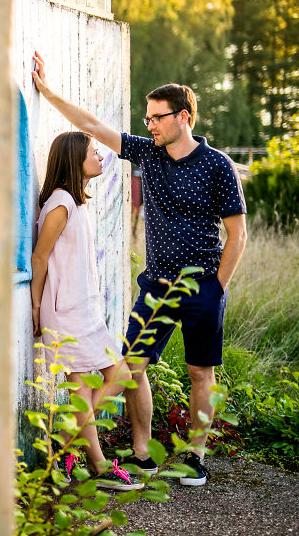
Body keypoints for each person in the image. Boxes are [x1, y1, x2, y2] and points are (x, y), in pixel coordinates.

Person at [31, 51, 247, 486]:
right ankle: (142, 453)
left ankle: (195, 456)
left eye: (156, 117)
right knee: (131, 366)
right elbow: (92, 126)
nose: (149, 125)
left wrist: (216, 288)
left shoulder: (218, 166)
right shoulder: (149, 154)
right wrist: (49, 92)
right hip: (156, 287)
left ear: (183, 117)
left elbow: (237, 234)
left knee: (200, 372)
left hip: (203, 286)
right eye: (147, 118)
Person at [31, 131, 140, 491]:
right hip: (65, 310)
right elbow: (39, 257)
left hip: (86, 310)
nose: (100, 157)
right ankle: (100, 465)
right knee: (82, 387)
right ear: (74, 159)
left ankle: (63, 448)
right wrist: (36, 306)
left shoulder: (76, 203)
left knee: (119, 374)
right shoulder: (61, 204)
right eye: (94, 152)